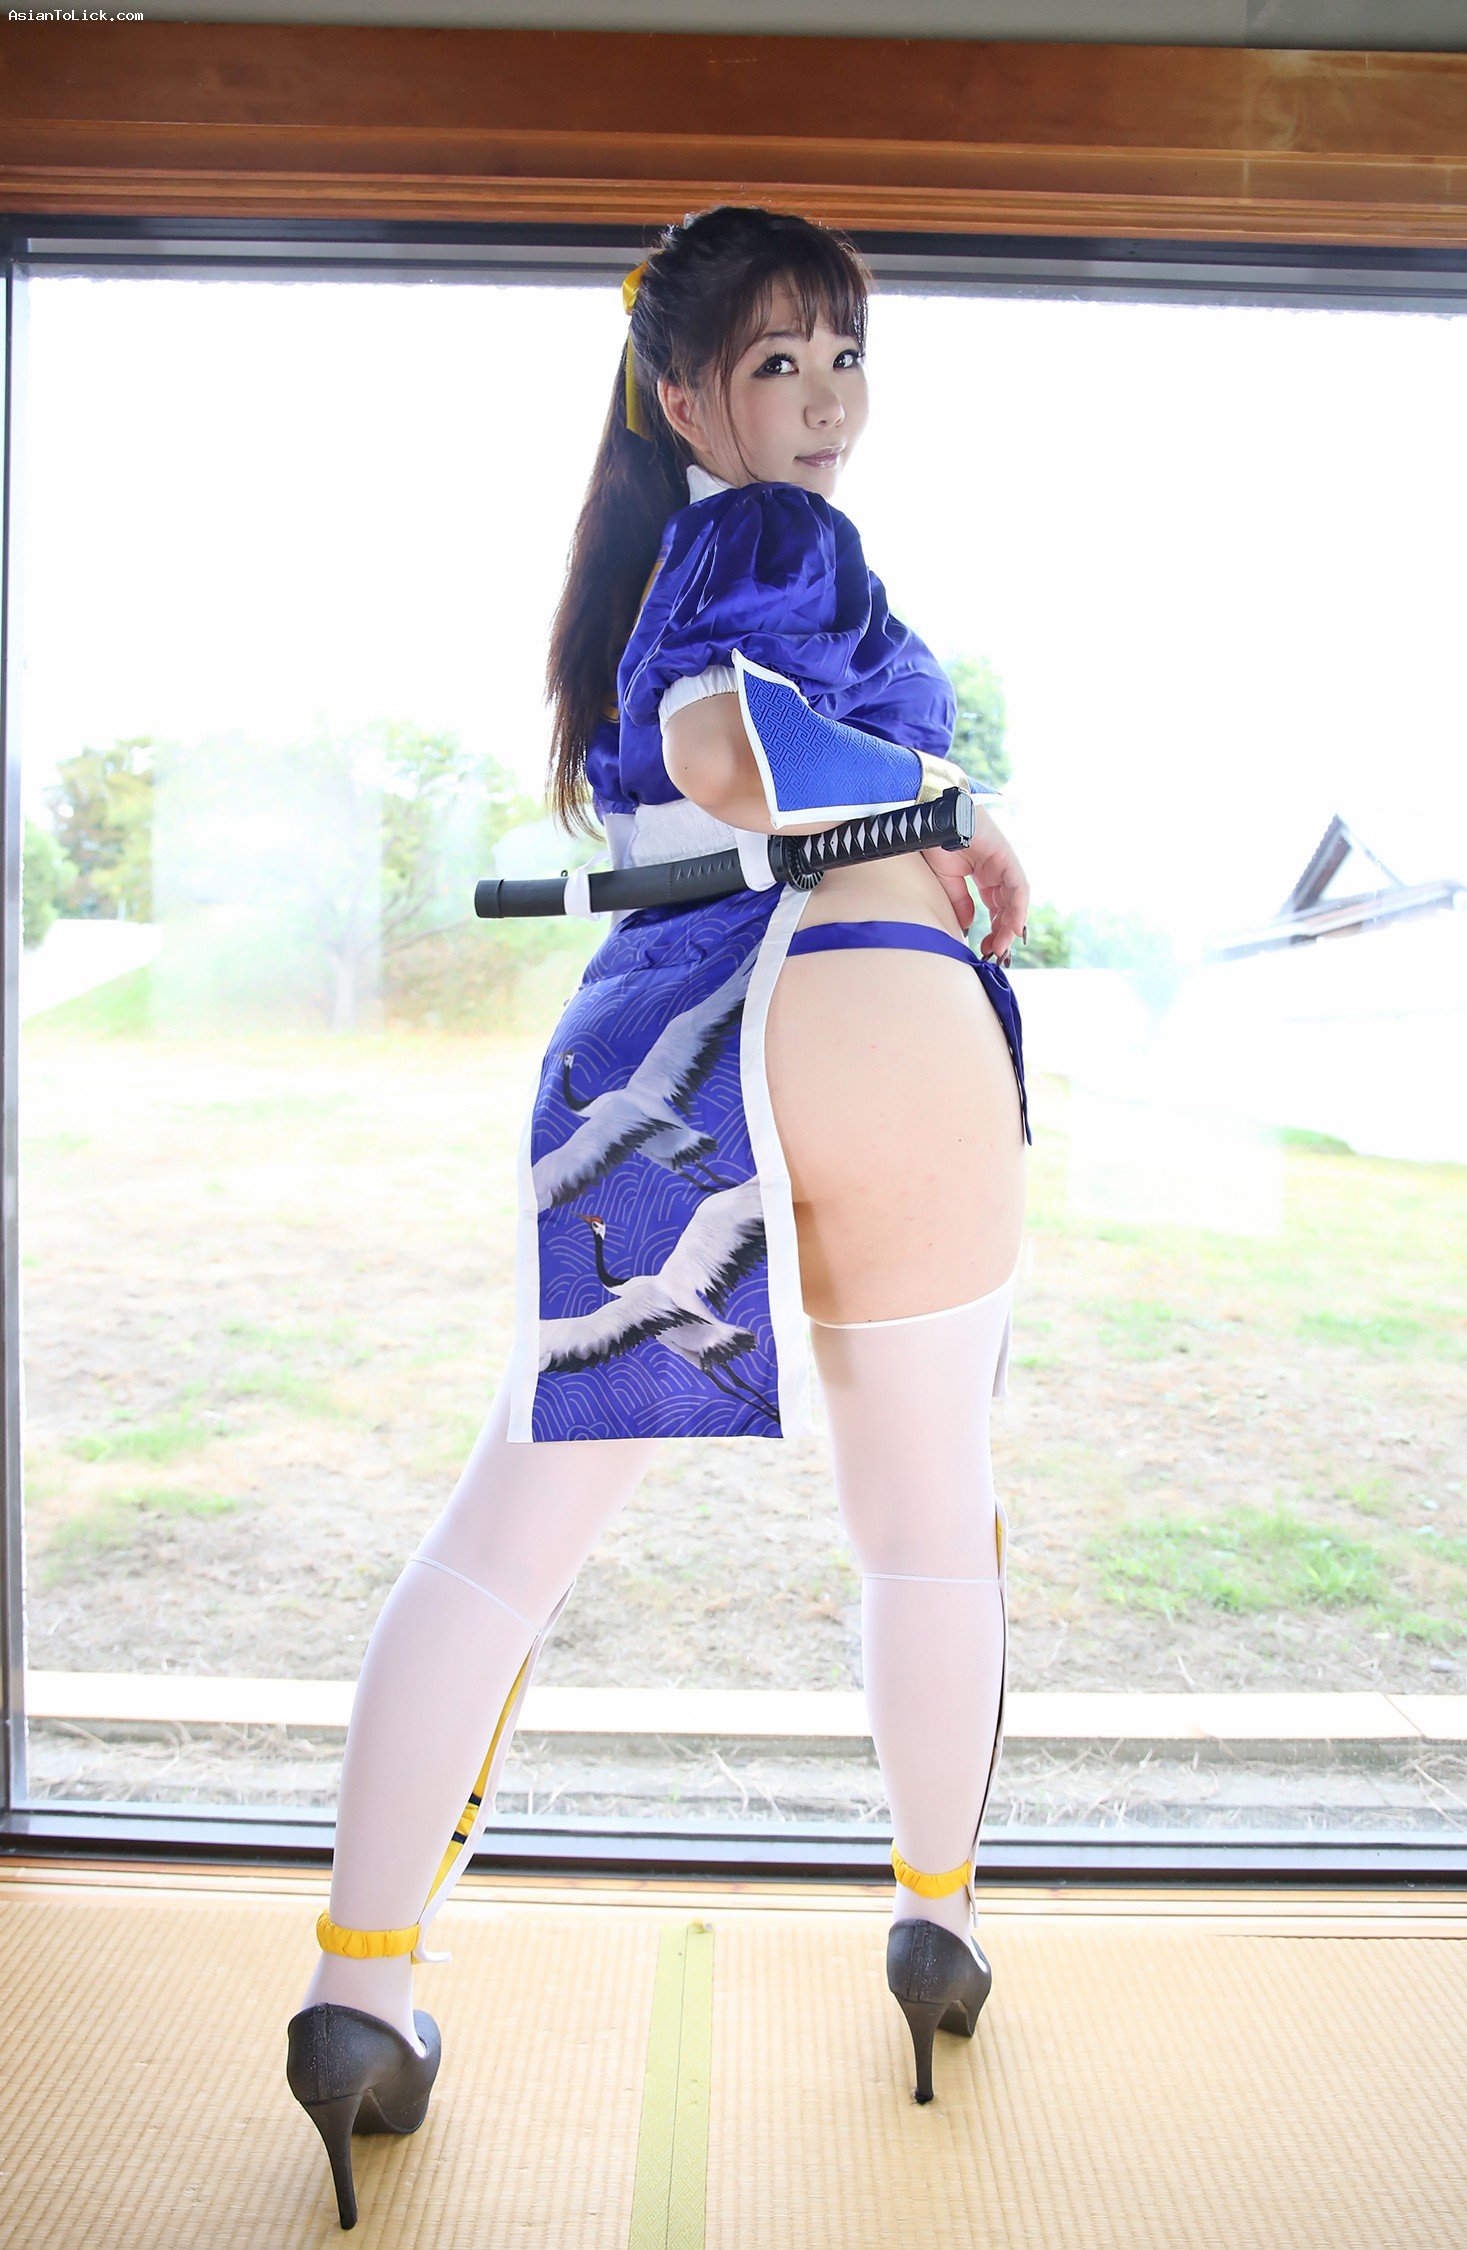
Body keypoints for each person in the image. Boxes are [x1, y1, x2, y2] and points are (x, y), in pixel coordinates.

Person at [286, 202, 1032, 2228]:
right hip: (880, 1001)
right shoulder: (777, 536)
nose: (826, 398)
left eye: (847, 355)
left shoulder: (660, 567)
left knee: (501, 1542)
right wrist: (951, 805)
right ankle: (940, 1922)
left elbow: (686, 753)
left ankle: (359, 1995)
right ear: (687, 399)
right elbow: (727, 748)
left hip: (666, 1042)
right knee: (927, 1518)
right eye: (779, 362)